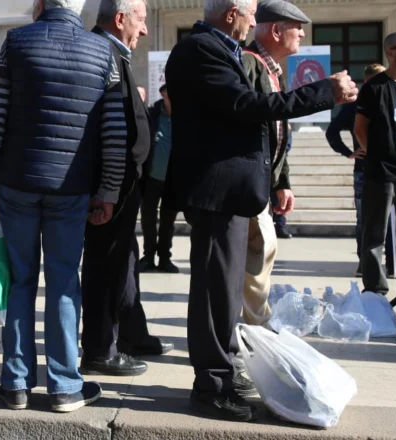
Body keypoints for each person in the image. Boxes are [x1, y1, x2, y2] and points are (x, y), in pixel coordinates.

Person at [165, 0, 357, 422]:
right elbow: (246, 107)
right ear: (231, 13)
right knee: (216, 290)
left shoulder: (222, 49)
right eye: (252, 14)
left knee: (228, 291)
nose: (256, 22)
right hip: (216, 192)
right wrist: (324, 91)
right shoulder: (199, 50)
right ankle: (211, 386)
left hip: (233, 192)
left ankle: (223, 372)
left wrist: (276, 180)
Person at [0, 0, 123, 412]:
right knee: (63, 282)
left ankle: (16, 385)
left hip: (17, 181)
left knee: (20, 280)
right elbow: (114, 130)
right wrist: (108, 191)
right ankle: (64, 388)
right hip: (72, 187)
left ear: (42, 4)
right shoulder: (102, 51)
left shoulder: (16, 42)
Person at [80, 0, 174, 379]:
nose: (146, 30)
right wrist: (107, 189)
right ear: (120, 19)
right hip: (110, 186)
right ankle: (101, 348)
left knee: (126, 263)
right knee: (106, 266)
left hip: (121, 183)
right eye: (140, 19)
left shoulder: (114, 52)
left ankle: (133, 334)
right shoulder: (102, 53)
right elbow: (106, 128)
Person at [240, 0, 311, 328]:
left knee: (263, 251)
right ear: (275, 30)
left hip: (265, 180)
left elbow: (279, 133)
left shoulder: (272, 70)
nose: (302, 34)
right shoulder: (249, 63)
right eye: (296, 27)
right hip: (248, 181)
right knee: (259, 251)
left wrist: (282, 181)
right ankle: (254, 326)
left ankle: (254, 323)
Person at [326, 63, 394, 277]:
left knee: (390, 219)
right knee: (366, 219)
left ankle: (392, 264)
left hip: (391, 168)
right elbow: (333, 131)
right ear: (368, 81)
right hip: (366, 170)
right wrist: (350, 152)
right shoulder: (357, 104)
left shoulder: (393, 98)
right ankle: (366, 264)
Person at [355, 32, 396, 296]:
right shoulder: (374, 88)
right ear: (391, 52)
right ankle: (375, 291)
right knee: (375, 233)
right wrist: (375, 154)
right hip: (381, 172)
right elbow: (360, 128)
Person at [138, 84, 180, 274]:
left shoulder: (184, 117)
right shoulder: (151, 114)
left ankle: (165, 258)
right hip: (151, 177)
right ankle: (148, 257)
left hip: (172, 179)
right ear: (163, 94)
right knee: (148, 219)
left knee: (168, 221)